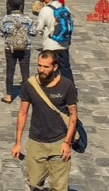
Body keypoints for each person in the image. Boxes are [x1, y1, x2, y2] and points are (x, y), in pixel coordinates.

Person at [11, 51, 78, 191]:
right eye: (39, 66)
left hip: (59, 142)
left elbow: (73, 115)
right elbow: (22, 113)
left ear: (55, 67)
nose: (41, 70)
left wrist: (67, 142)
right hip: (36, 142)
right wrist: (18, 142)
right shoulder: (30, 85)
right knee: (34, 183)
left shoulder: (66, 85)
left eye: (46, 67)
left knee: (59, 187)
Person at [30, 0, 74, 85]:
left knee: (49, 70)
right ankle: (71, 89)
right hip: (63, 44)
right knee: (66, 69)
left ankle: (50, 88)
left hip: (50, 44)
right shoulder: (65, 8)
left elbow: (39, 28)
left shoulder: (45, 10)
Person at [0, 0, 33, 103]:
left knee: (10, 71)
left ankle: (9, 95)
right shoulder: (27, 19)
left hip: (10, 48)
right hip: (25, 48)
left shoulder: (6, 19)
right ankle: (26, 95)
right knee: (25, 71)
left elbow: (1, 32)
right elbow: (33, 32)